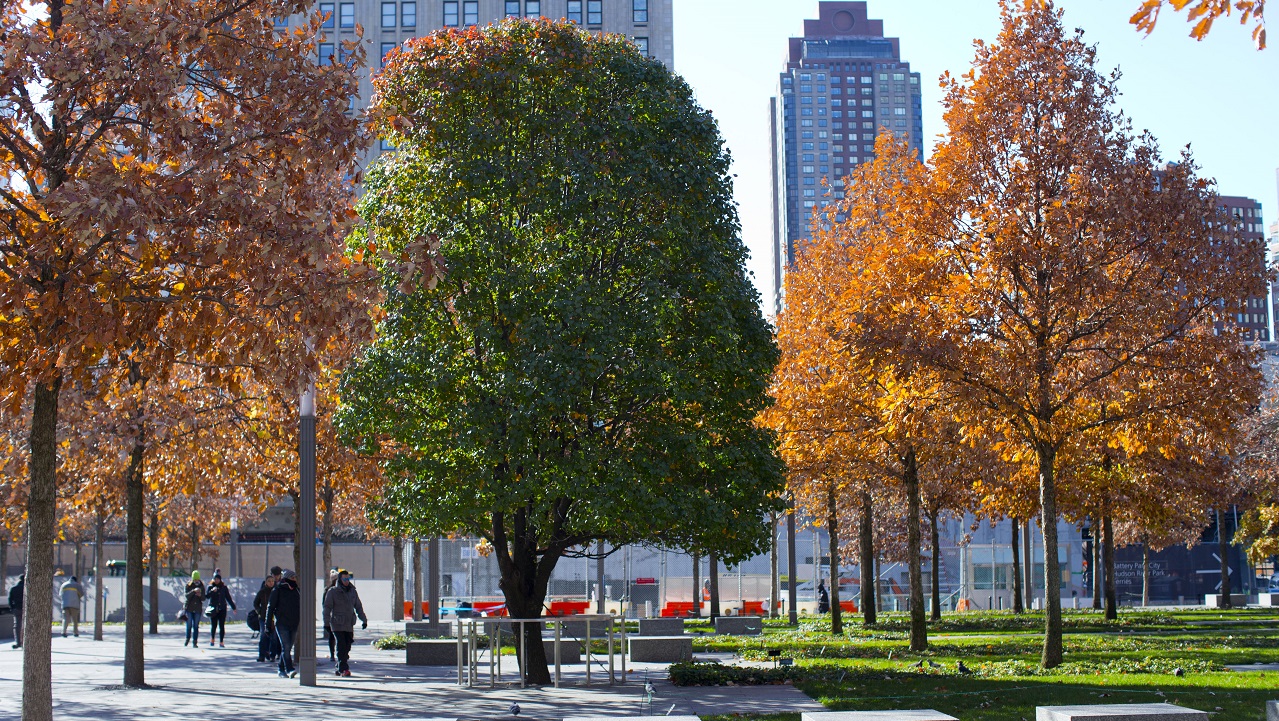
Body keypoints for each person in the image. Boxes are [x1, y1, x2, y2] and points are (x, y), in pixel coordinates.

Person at [322, 569, 367, 677]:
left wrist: (364, 620)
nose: (347, 581)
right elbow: (327, 608)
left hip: (349, 623)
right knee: (341, 645)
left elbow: (358, 606)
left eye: (348, 578)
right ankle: (344, 669)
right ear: (340, 579)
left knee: (347, 646)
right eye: (344, 579)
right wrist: (326, 623)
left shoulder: (352, 591)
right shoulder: (332, 591)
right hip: (337, 623)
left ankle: (339, 667)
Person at [267, 569, 301, 678]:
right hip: (282, 623)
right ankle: (290, 669)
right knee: (285, 646)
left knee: (287, 647)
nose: (294, 580)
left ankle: (281, 669)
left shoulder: (297, 591)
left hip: (294, 622)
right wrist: (267, 625)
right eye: (292, 578)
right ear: (286, 579)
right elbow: (270, 607)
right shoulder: (277, 590)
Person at [205, 572, 236, 648]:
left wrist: (233, 607)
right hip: (213, 609)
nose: (216, 580)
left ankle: (221, 641)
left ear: (220, 579)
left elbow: (228, 598)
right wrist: (212, 591)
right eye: (215, 579)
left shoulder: (224, 587)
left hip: (222, 609)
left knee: (221, 626)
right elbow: (207, 596)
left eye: (218, 579)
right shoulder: (210, 587)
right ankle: (212, 639)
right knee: (214, 625)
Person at [254, 573, 280, 662]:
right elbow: (255, 603)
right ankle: (262, 655)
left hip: (274, 618)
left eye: (272, 581)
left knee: (274, 637)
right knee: (263, 636)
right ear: (266, 582)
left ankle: (273, 655)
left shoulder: (277, 591)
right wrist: (259, 611)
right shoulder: (262, 592)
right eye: (269, 581)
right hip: (264, 617)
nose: (271, 583)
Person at [183, 570, 206, 647]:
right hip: (189, 608)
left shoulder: (201, 586)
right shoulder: (188, 585)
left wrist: (200, 595)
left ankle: (195, 642)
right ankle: (187, 638)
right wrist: (193, 591)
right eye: (195, 579)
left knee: (196, 626)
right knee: (189, 624)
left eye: (197, 579)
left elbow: (203, 598)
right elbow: (186, 596)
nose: (196, 581)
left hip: (197, 609)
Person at [321, 569, 339, 663]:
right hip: (333, 617)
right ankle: (333, 654)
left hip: (338, 617)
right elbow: (325, 606)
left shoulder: (343, 590)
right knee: (333, 636)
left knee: (334, 637)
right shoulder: (328, 590)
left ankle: (335, 654)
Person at [8, 574, 23, 649]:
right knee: (26, 625)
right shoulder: (27, 588)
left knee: (17, 626)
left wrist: (12, 608)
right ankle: (24, 641)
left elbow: (10, 599)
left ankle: (18, 642)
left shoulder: (14, 588)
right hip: (25, 609)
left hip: (17, 609)